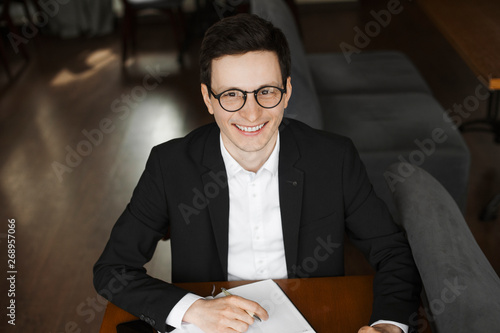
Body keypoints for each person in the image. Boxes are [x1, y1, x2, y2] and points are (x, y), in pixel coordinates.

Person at [93, 14, 421, 333]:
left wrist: (388, 326)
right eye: (232, 94)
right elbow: (112, 270)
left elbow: (393, 252)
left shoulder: (334, 158)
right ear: (208, 98)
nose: (252, 113)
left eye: (266, 91)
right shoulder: (170, 164)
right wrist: (193, 309)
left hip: (313, 312)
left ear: (287, 91)